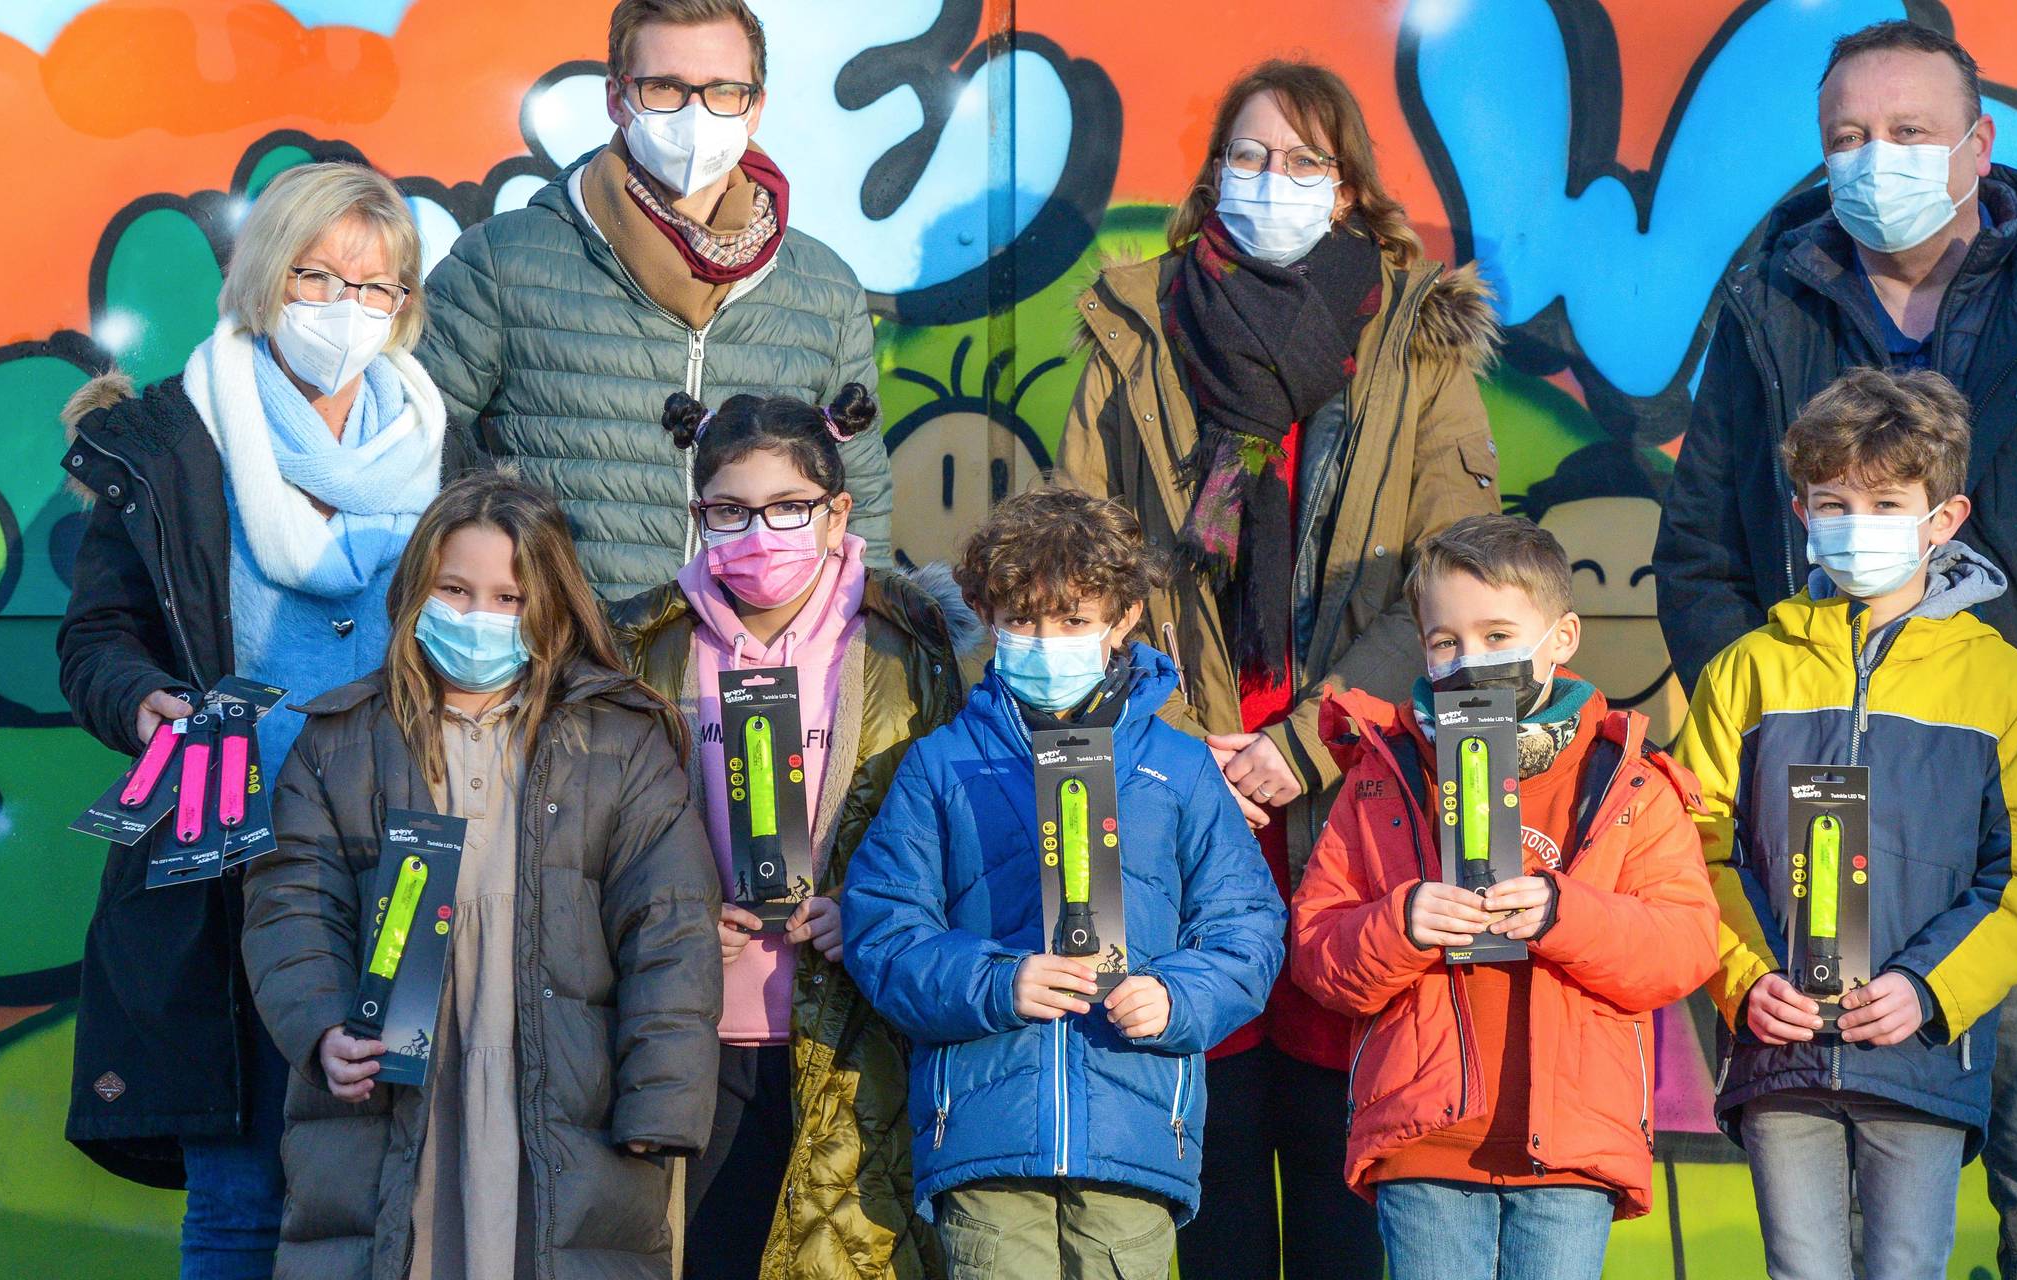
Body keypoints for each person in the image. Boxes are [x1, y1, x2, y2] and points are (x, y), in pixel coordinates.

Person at [1649, 21, 2017, 1276]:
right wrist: (1778, 720)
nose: (1873, 159)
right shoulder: (1765, 310)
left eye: (1906, 133)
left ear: (1976, 143)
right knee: (1840, 1229)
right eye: (1846, 137)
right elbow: (1700, 553)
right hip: (1818, 855)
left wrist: (1991, 735)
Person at [1057, 59, 1502, 1279]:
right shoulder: (1137, 323)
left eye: (1305, 163)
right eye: (1249, 158)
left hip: (1351, 789)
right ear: (1211, 178)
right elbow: (1078, 552)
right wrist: (1188, 734)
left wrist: (1300, 740)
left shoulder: (1412, 338)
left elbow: (1450, 579)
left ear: (1350, 189)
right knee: (1205, 1147)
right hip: (1179, 776)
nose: (1273, 183)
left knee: (1341, 1145)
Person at [56, 160, 445, 1279]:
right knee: (240, 1191)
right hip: (230, 864)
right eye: (316, 277)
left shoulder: (438, 449)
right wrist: (142, 702)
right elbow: (95, 640)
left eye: (373, 289)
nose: (342, 309)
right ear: (265, 280)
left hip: (404, 865)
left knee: (396, 1179)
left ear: (403, 304)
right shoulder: (173, 444)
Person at [240, 472, 720, 1278]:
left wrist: (663, 1095)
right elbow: (290, 905)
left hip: (568, 1091)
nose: (478, 617)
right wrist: (322, 1026)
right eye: (454, 589)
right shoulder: (340, 740)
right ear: (417, 591)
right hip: (391, 1097)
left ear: (551, 606)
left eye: (509, 598)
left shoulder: (622, 740)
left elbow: (670, 926)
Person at [1682, 368, 2017, 1280]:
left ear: (1944, 517)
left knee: (1906, 1268)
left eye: (1886, 502)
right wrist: (1744, 979)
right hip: (1778, 1047)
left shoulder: (2006, 686)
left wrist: (1929, 989)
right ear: (1801, 511)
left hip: (1918, 1053)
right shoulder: (1747, 671)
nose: (1855, 524)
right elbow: (1688, 844)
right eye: (1834, 502)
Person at [839, 487, 1286, 1280]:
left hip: (1134, 1134)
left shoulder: (1178, 767)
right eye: (1022, 619)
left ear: (1124, 620)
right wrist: (996, 981)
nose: (1048, 640)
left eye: (1074, 620)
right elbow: (883, 931)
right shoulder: (941, 764)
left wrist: (1178, 998)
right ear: (985, 616)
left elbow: (1247, 928)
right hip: (983, 1135)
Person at [1287, 514, 1720, 1280]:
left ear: (1563, 637)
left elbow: (1682, 947)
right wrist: (1401, 923)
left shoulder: (1629, 780)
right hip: (1422, 1141)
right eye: (1444, 641)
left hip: (1572, 1150)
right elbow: (1318, 952)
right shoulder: (1385, 774)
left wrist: (1565, 914)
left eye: (1496, 635)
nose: (1469, 659)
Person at [606, 382, 961, 1277]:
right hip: (696, 1028)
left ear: (838, 511)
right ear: (698, 514)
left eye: (789, 508)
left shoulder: (903, 642)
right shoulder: (641, 645)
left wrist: (877, 911)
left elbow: (949, 829)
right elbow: (598, 836)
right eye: (730, 511)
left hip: (853, 1028)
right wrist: (676, 912)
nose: (758, 534)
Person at [420, 0, 892, 599]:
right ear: (618, 98)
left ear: (755, 106)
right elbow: (409, 453)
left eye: (723, 90)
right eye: (664, 87)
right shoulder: (501, 262)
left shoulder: (822, 286)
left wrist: (857, 650)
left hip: (755, 671)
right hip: (565, 671)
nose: (695, 114)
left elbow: (862, 497)